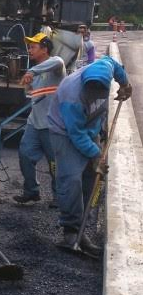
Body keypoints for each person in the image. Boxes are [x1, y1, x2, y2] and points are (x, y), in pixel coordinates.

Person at [47, 56, 133, 257]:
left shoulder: (105, 66)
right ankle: (70, 231)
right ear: (85, 85)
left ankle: (81, 229)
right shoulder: (72, 96)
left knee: (89, 178)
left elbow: (115, 66)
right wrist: (96, 155)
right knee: (71, 180)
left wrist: (125, 84)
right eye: (91, 92)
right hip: (64, 132)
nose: (95, 95)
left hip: (90, 128)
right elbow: (76, 134)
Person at [13, 33, 66, 207]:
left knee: (54, 163)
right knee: (25, 155)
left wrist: (31, 71)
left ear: (45, 49)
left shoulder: (55, 65)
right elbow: (32, 94)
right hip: (34, 123)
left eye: (33, 47)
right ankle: (31, 191)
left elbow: (58, 62)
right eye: (29, 47)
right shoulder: (35, 71)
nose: (29, 50)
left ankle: (59, 196)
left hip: (52, 126)